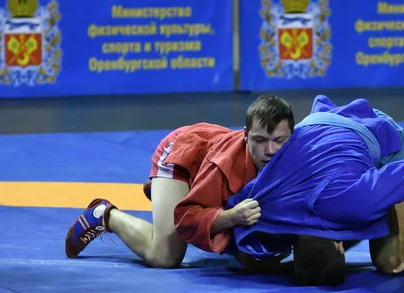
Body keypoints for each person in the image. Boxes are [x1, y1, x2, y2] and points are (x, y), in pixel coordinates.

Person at [225, 95, 404, 286]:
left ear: (340, 246)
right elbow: (229, 212)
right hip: (314, 123)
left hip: (371, 126)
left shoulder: (355, 201)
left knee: (390, 263)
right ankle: (392, 192)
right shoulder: (266, 204)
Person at [64, 95, 296, 269]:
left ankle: (169, 197)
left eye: (279, 141)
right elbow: (187, 218)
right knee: (165, 257)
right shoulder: (222, 165)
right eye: (259, 140)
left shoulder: (300, 156)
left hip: (208, 154)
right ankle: (105, 215)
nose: (270, 150)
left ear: (292, 138)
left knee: (256, 263)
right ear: (246, 136)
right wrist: (230, 217)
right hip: (182, 154)